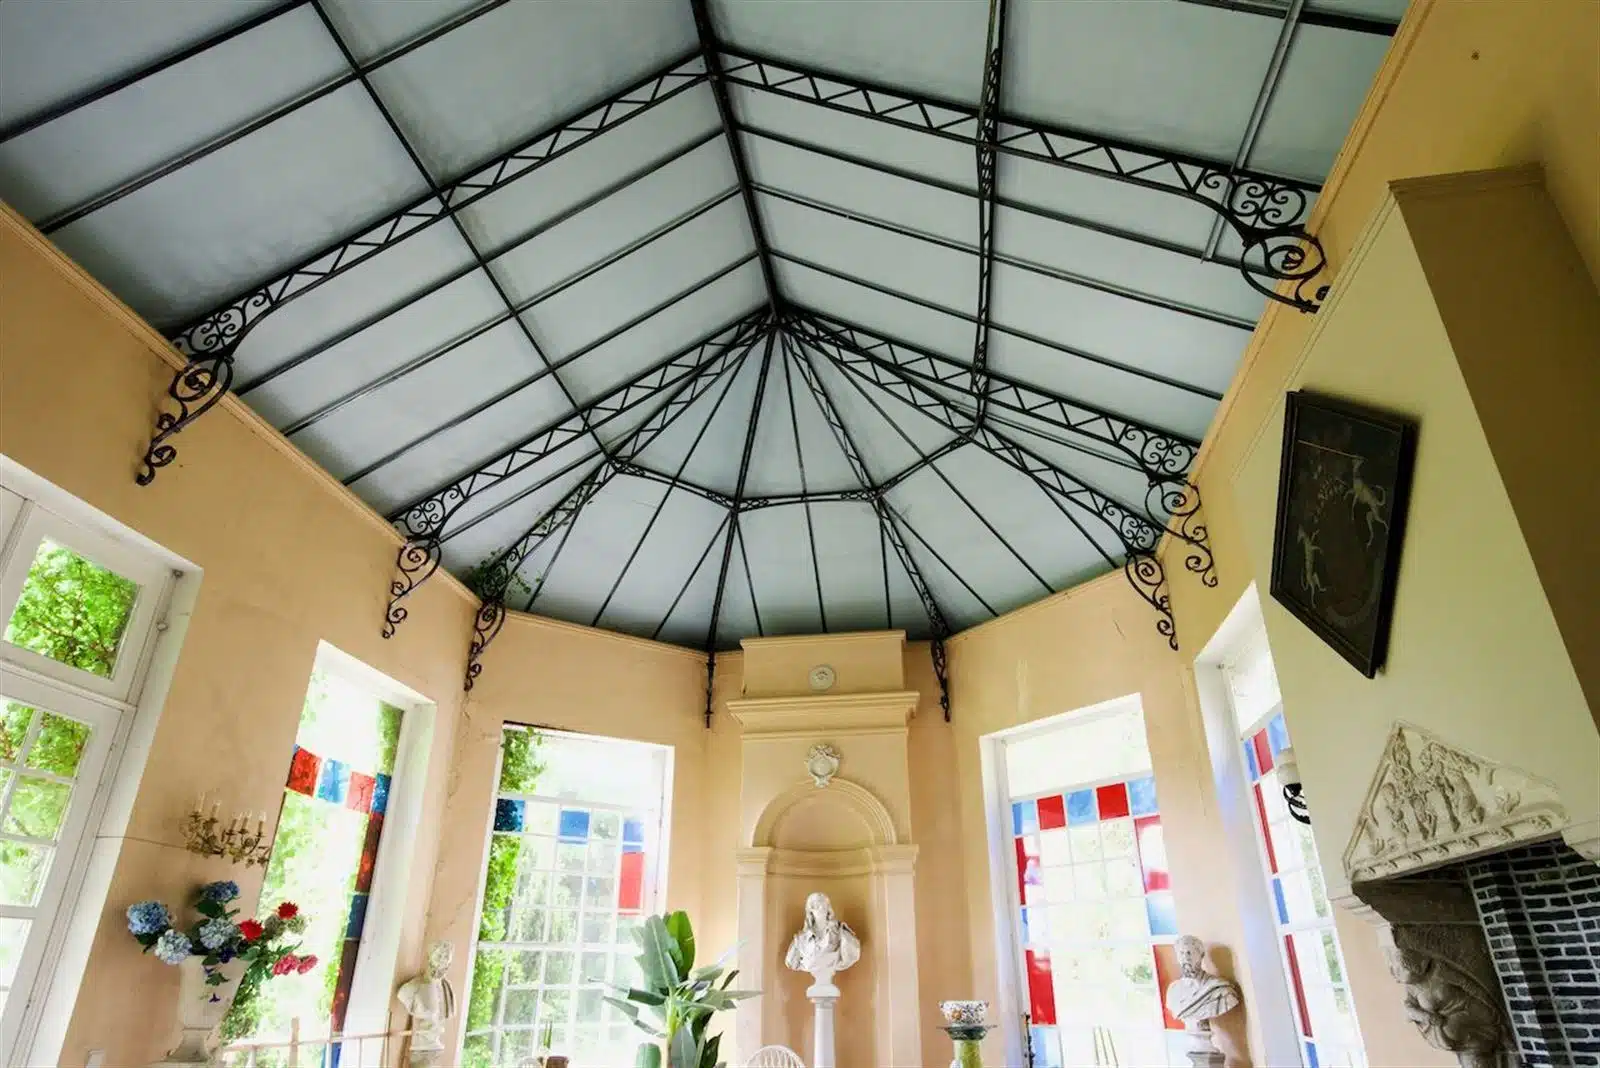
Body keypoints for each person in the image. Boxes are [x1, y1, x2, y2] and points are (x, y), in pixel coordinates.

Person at [1164, 934, 1240, 1054]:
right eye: (1181, 954)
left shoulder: (1220, 989)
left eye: (1189, 953)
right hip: (1194, 1044)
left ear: (1201, 956)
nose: (1186, 958)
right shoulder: (1173, 990)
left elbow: (1229, 1000)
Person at [396, 940, 456, 1067]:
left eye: (446, 958)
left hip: (435, 1048)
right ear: (430, 959)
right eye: (440, 956)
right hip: (421, 1047)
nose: (443, 962)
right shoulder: (413, 988)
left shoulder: (446, 987)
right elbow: (403, 995)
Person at [784, 892, 860, 985]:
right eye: (816, 905)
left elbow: (852, 953)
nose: (820, 908)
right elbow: (791, 962)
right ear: (810, 910)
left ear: (828, 908)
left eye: (823, 904)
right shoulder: (801, 940)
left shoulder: (841, 933)